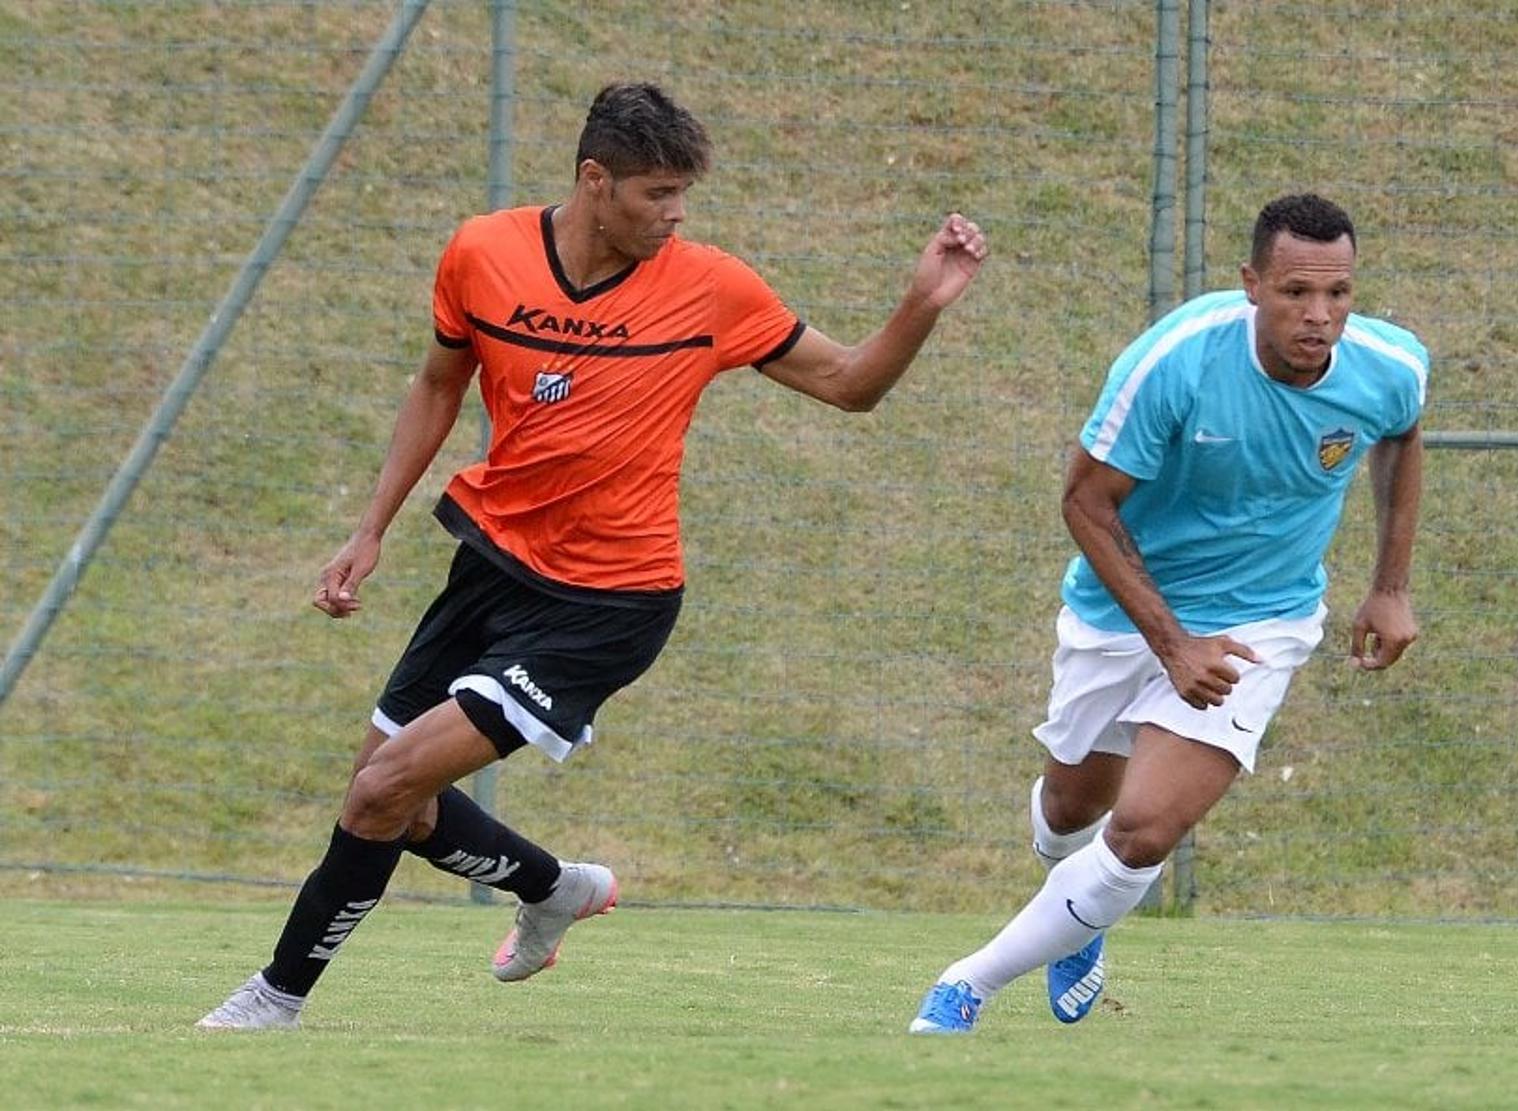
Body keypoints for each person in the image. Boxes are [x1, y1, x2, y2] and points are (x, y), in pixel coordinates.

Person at [198, 81, 988, 1030]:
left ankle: (272, 1001)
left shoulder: (711, 286)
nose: (677, 213)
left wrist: (920, 304)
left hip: (610, 601)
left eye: (683, 194)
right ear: (594, 180)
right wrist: (368, 528)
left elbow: (853, 384)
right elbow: (438, 384)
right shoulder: (482, 252)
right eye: (657, 193)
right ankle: (553, 886)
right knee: (389, 804)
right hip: (490, 569)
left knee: (384, 786)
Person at [908, 193, 1424, 1034]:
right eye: (1296, 291)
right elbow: (1084, 501)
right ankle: (1077, 920)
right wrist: (1173, 642)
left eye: (1339, 294)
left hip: (1263, 620)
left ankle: (965, 985)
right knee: (1073, 808)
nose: (1320, 316)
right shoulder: (1175, 363)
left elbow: (1402, 433)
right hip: (1124, 610)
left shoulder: (1388, 366)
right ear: (1251, 283)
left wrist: (1391, 584)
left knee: (1143, 830)